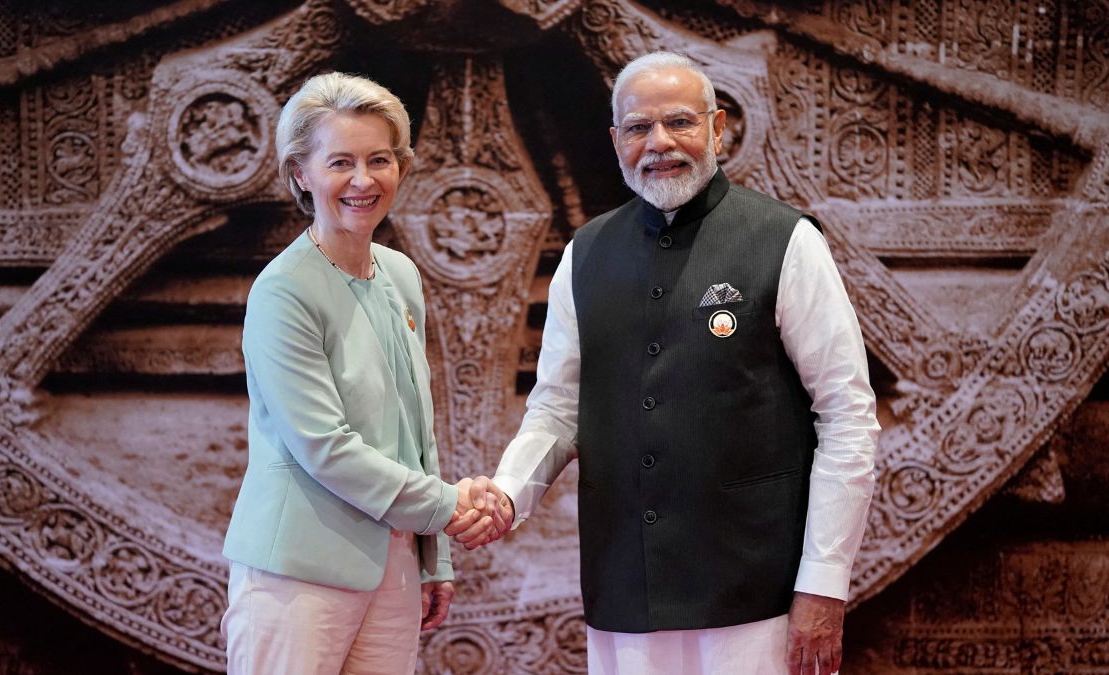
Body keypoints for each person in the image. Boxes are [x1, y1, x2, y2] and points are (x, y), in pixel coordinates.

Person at [450, 52, 879, 674]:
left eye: (680, 122)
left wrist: (823, 583)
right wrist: (509, 496)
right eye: (638, 128)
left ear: (718, 129)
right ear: (615, 140)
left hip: (755, 594)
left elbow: (847, 417)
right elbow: (556, 409)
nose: (660, 143)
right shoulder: (586, 253)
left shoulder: (785, 241)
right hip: (625, 587)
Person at [221, 72, 507, 675]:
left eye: (380, 159)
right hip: (298, 572)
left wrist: (434, 561)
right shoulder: (283, 291)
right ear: (301, 172)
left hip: (395, 565)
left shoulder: (401, 273)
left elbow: (415, 433)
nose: (363, 180)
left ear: (401, 167)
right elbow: (323, 447)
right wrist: (448, 506)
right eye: (340, 162)